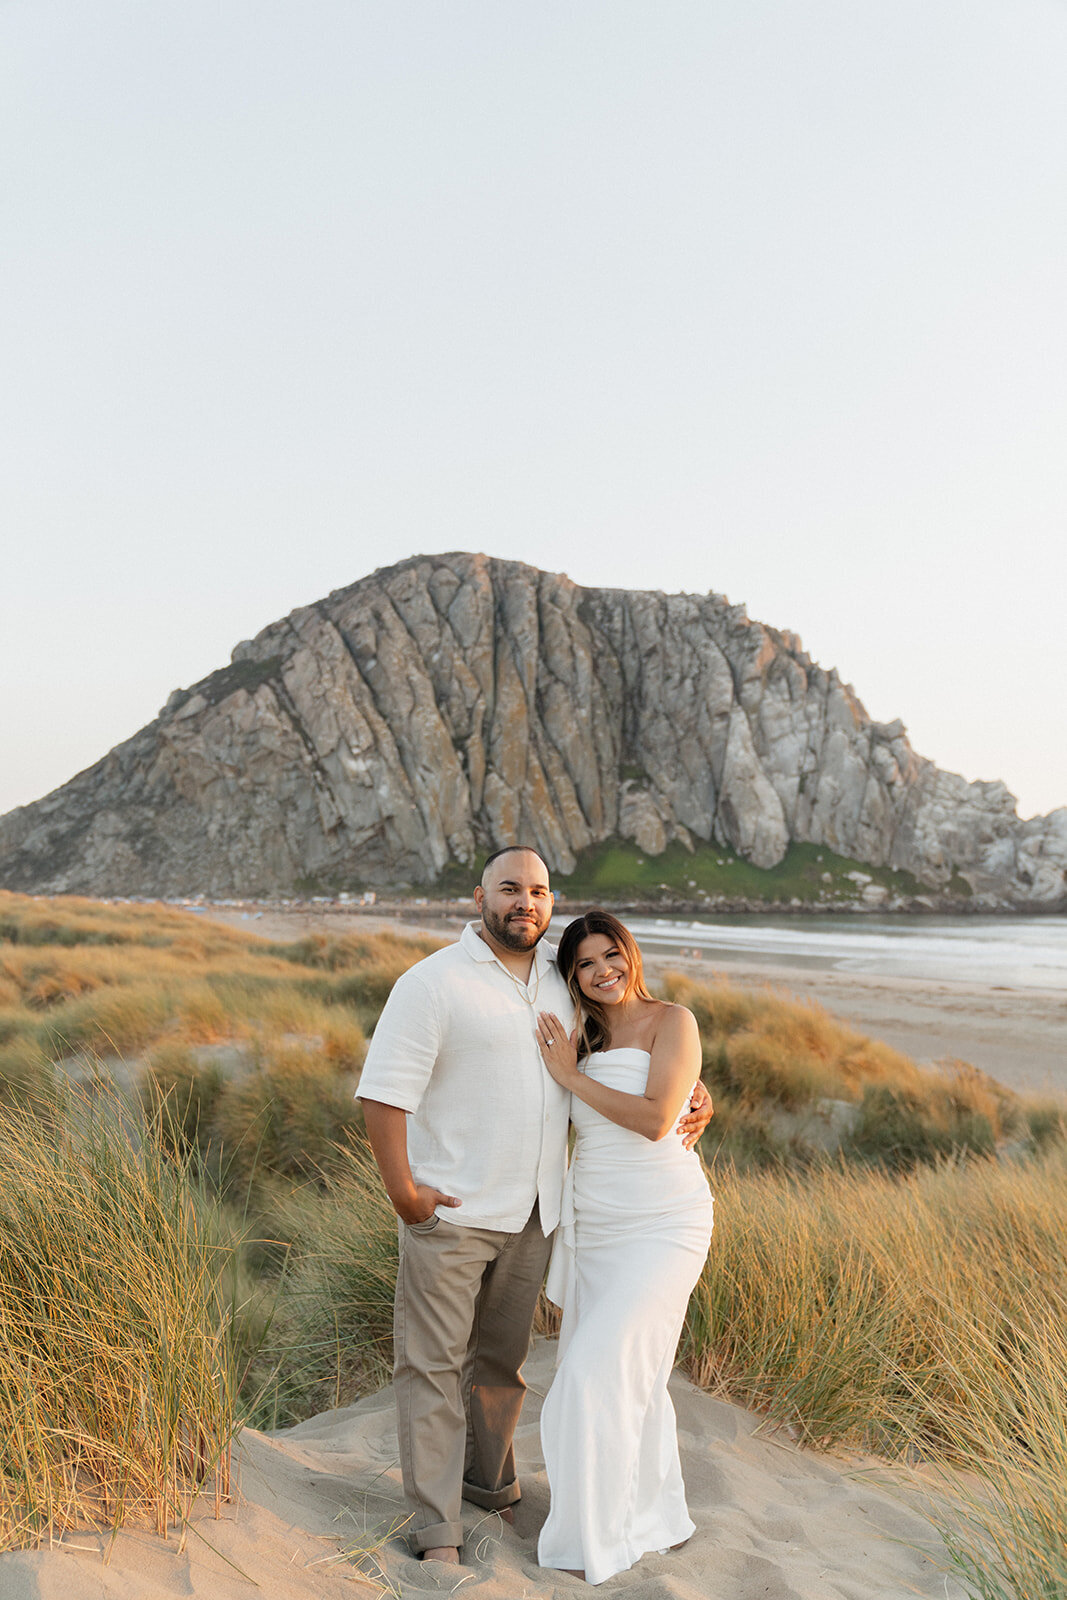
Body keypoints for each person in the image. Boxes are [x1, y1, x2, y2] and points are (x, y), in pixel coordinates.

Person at [357, 849, 713, 1566]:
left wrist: (701, 1096)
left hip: (539, 1218)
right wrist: (404, 1193)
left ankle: (491, 1490)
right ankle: (437, 1531)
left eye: (539, 890)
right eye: (511, 888)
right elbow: (382, 1091)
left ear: (551, 904)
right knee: (430, 1368)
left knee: (499, 1367)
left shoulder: (560, 983)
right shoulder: (432, 982)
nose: (526, 901)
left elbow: (643, 1070)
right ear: (480, 895)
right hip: (454, 1212)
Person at [534, 909, 715, 1586]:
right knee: (629, 1376)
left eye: (611, 956)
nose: (602, 972)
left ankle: (595, 1538)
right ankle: (651, 1518)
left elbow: (653, 1120)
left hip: (664, 1222)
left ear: (629, 955)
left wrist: (572, 1079)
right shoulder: (578, 1035)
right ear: (572, 976)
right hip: (596, 1227)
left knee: (590, 1375)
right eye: (585, 964)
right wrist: (567, 1066)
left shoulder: (674, 1020)